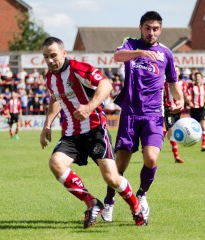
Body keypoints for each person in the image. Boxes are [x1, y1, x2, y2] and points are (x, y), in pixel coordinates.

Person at [40, 37, 145, 228]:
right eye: (46, 56)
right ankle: (91, 202)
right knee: (56, 163)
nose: (50, 60)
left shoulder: (78, 68)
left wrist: (89, 107)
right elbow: (56, 99)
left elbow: (106, 85)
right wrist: (47, 124)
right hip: (72, 133)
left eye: (53, 55)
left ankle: (136, 208)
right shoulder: (49, 77)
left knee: (111, 178)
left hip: (95, 130)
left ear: (64, 53)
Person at [101, 11, 184, 225]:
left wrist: (180, 100)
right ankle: (109, 201)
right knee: (119, 166)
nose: (151, 32)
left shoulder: (166, 53)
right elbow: (117, 57)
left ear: (160, 30)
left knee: (151, 158)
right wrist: (140, 54)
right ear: (141, 27)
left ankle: (141, 194)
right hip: (129, 114)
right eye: (148, 28)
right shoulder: (130, 44)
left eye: (155, 28)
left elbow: (173, 81)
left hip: (154, 115)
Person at [163, 65, 187, 163]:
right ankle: (176, 157)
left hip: (178, 111)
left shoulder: (183, 83)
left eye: (177, 71)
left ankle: (161, 133)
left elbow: (185, 95)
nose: (175, 72)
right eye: (174, 71)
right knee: (172, 133)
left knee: (172, 134)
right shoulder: (165, 83)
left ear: (179, 73)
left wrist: (186, 100)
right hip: (169, 109)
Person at [186, 71, 205, 152]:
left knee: (203, 126)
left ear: (201, 78)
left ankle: (203, 145)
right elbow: (187, 97)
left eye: (199, 77)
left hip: (202, 108)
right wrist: (189, 102)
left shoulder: (204, 88)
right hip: (193, 109)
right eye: (196, 77)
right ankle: (191, 141)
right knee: (194, 128)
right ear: (194, 78)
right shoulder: (190, 87)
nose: (198, 78)